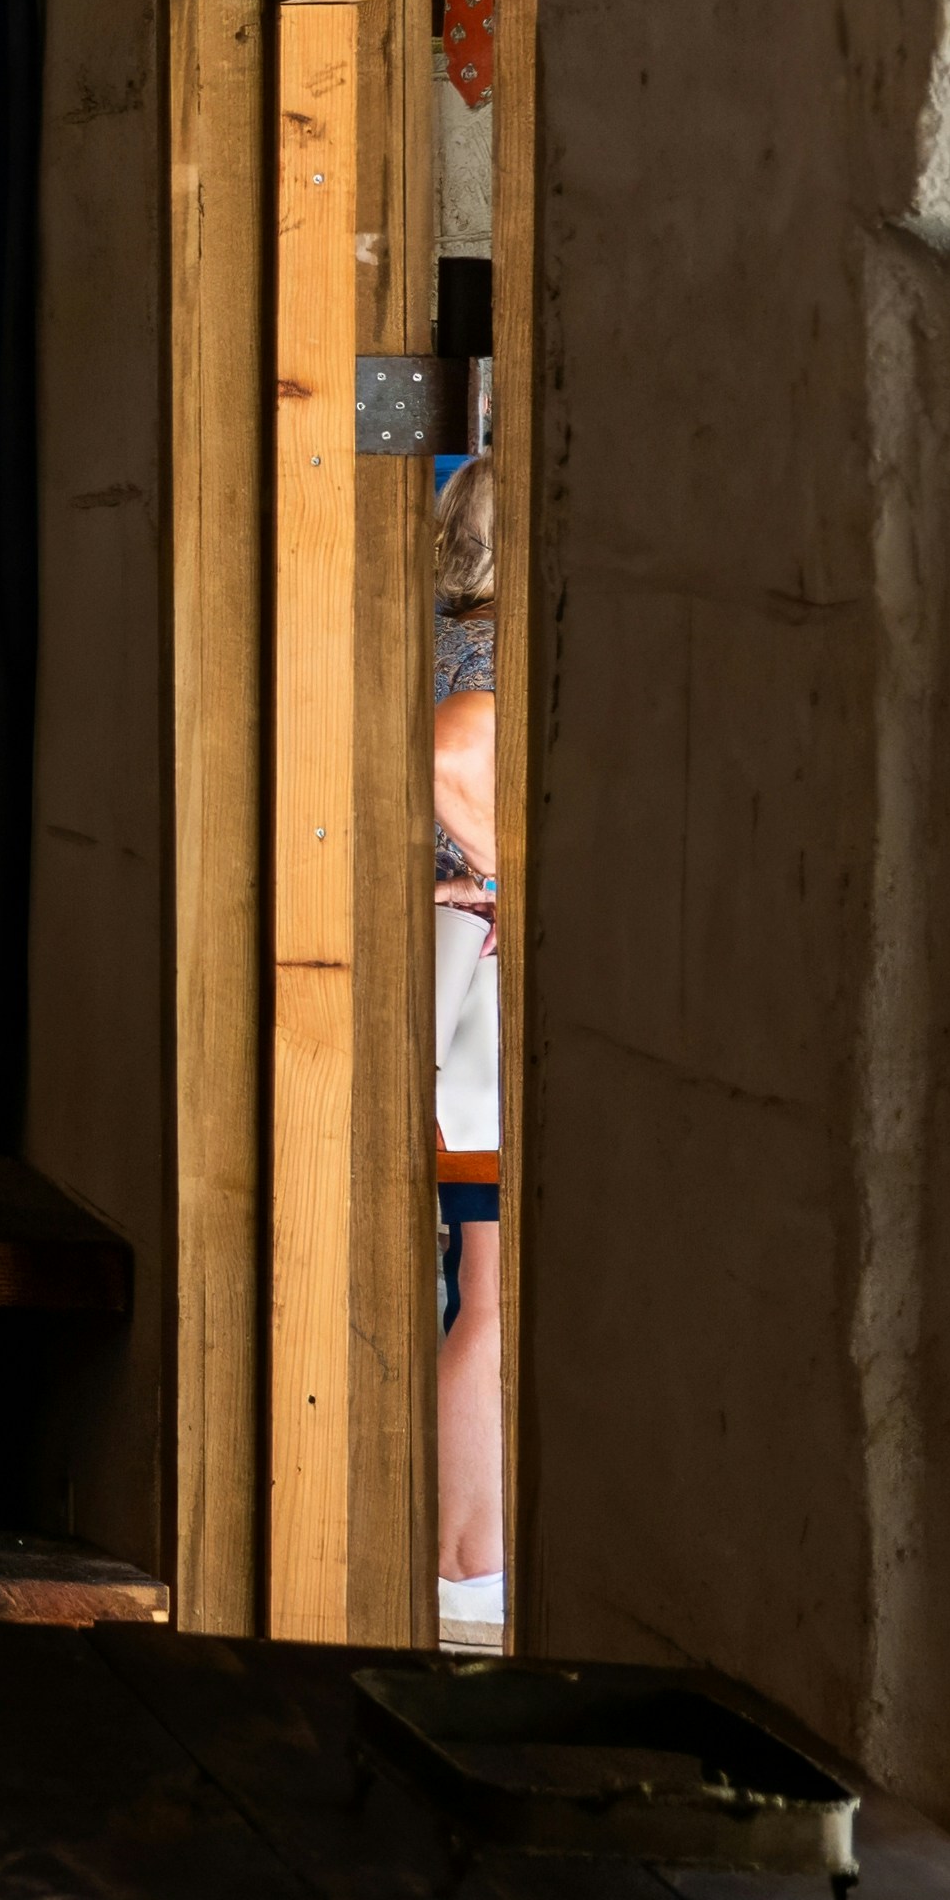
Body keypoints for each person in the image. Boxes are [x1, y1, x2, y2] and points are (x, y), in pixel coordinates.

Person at [434, 618, 507, 1634]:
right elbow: (450, 749)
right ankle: (468, 1560)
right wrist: (507, 875)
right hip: (486, 1023)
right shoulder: (495, 648)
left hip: (459, 1021)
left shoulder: (444, 634)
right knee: (496, 1292)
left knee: (482, 1286)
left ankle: (464, 1559)